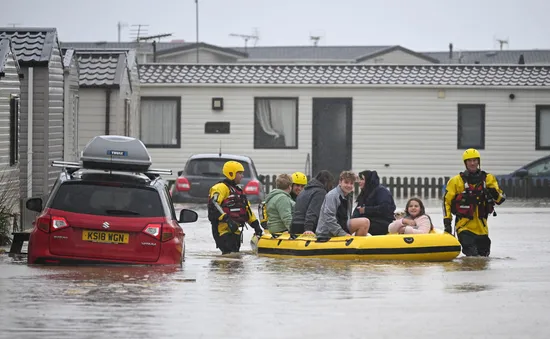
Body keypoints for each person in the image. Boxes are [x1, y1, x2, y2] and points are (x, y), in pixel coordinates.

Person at [443, 148, 506, 257]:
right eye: (469, 161)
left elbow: (500, 199)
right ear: (465, 163)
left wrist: (493, 193)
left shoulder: (488, 179)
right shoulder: (456, 181)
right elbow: (446, 202)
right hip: (464, 227)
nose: (472, 163)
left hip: (482, 229)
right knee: (472, 257)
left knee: (483, 259)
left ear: (478, 162)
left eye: (475, 160)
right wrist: (447, 223)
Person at [208, 161, 263, 254]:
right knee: (228, 258)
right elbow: (214, 204)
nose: (242, 176)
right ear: (231, 173)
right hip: (222, 231)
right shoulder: (220, 188)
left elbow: (247, 209)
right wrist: (227, 220)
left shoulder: (238, 190)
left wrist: (256, 226)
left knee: (235, 259)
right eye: (240, 173)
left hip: (235, 231)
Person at [315, 171, 370, 238]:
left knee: (365, 223)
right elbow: (329, 218)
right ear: (340, 182)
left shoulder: (348, 196)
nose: (349, 185)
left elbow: (347, 217)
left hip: (340, 226)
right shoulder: (332, 195)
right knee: (364, 222)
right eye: (346, 182)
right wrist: (342, 234)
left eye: (351, 183)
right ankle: (354, 247)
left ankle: (355, 246)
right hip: (326, 232)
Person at [352, 170, 396, 236]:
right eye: (359, 179)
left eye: (362, 179)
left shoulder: (381, 191)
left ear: (369, 180)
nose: (359, 182)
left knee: (363, 225)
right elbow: (358, 209)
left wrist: (366, 210)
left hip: (381, 223)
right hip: (368, 221)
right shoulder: (365, 193)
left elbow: (386, 208)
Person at [290, 170, 335, 235]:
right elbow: (312, 211)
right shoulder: (320, 192)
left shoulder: (304, 191)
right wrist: (308, 229)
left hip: (294, 226)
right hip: (305, 227)